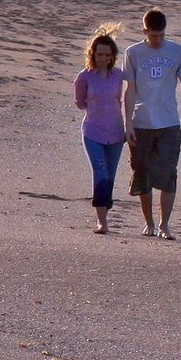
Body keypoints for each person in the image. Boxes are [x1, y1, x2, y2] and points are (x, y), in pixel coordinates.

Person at [120, 6, 181, 240]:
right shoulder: (133, 52)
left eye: (160, 35)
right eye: (152, 35)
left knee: (168, 173)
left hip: (169, 123)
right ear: (144, 31)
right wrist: (127, 123)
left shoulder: (177, 51)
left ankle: (164, 225)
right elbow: (130, 89)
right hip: (141, 122)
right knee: (141, 173)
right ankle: (149, 223)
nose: (156, 40)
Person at [74, 27, 126, 235]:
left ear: (113, 56)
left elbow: (133, 90)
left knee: (110, 176)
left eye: (107, 55)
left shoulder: (119, 76)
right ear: (92, 54)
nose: (103, 58)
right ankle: (102, 222)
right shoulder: (84, 77)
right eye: (99, 54)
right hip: (93, 132)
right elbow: (79, 103)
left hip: (116, 133)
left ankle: (105, 209)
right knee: (101, 172)